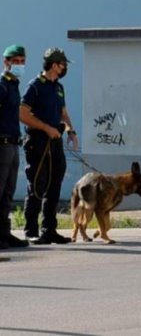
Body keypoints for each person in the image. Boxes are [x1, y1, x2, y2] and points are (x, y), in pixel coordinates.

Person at [20, 47, 78, 244]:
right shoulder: (35, 86)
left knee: (55, 185)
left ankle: (49, 230)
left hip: (55, 142)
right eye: (63, 65)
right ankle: (31, 231)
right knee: (37, 185)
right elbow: (23, 114)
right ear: (54, 65)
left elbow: (63, 112)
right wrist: (46, 128)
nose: (64, 68)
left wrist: (71, 130)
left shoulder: (58, 87)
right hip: (38, 142)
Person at [0, 45, 29, 249]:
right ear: (6, 62)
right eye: (15, 61)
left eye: (21, 61)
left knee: (8, 191)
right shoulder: (2, 85)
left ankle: (4, 233)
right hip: (1, 144)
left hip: (13, 143)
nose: (19, 65)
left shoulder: (14, 85)